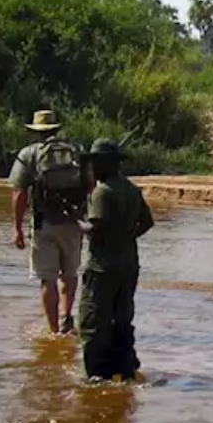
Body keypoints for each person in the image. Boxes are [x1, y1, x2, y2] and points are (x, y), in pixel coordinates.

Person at [77, 138, 154, 381]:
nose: (93, 168)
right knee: (122, 319)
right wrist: (126, 236)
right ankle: (125, 370)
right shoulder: (131, 189)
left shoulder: (103, 191)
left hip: (102, 268)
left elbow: (95, 229)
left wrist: (77, 222)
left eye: (96, 162)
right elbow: (148, 222)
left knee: (91, 322)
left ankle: (96, 376)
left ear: (109, 164)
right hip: (128, 265)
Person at [9, 109, 87, 335]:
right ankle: (66, 316)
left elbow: (19, 193)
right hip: (73, 223)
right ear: (56, 128)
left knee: (47, 279)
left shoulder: (29, 154)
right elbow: (90, 184)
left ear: (36, 132)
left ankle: (54, 332)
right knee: (70, 273)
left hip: (44, 224)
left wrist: (17, 229)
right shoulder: (76, 150)